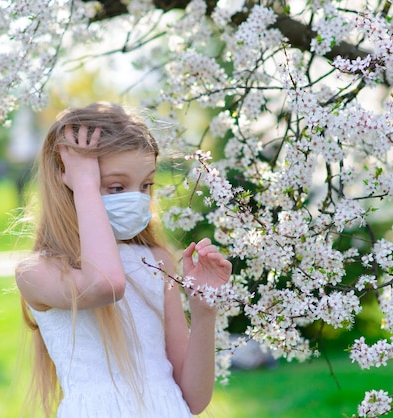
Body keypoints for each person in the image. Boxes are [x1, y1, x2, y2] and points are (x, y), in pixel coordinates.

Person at [15, 102, 232, 417]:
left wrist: (204, 312)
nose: (138, 198)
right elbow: (106, 284)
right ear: (69, 180)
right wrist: (87, 184)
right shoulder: (39, 272)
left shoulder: (156, 261)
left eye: (146, 185)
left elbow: (194, 400)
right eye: (116, 187)